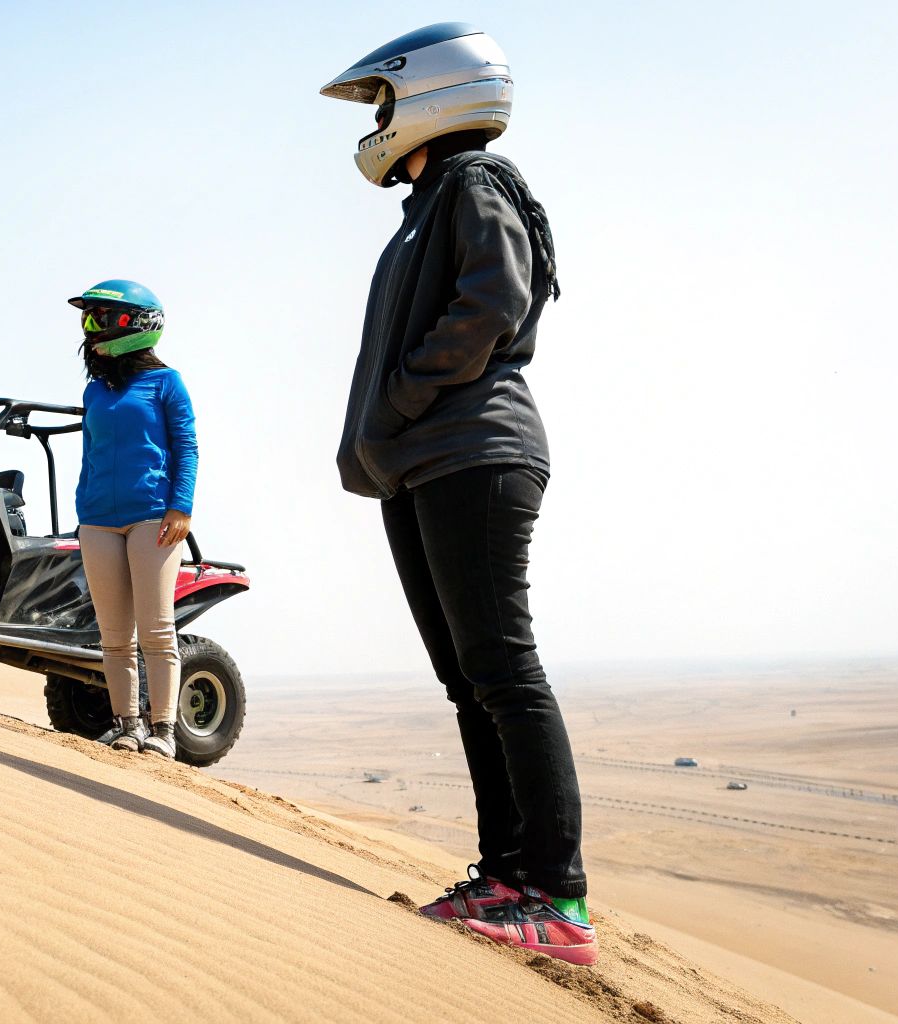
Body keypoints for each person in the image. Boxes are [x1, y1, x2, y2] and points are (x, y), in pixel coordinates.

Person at [320, 24, 594, 965]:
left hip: (475, 451)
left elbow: (492, 301)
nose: (379, 123)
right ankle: (506, 874)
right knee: (470, 678)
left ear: (431, 95)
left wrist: (401, 395)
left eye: (385, 101)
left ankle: (556, 894)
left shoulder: (475, 185)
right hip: (427, 461)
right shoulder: (431, 198)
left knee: (504, 668)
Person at [69, 280, 197, 759]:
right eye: (88, 318)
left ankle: (163, 730)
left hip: (153, 518)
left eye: (100, 317)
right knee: (114, 633)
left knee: (157, 628)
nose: (90, 328)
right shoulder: (94, 391)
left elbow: (186, 447)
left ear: (137, 323)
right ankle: (128, 725)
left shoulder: (167, 383)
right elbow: (89, 454)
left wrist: (181, 506)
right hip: (98, 521)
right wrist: (83, 509)